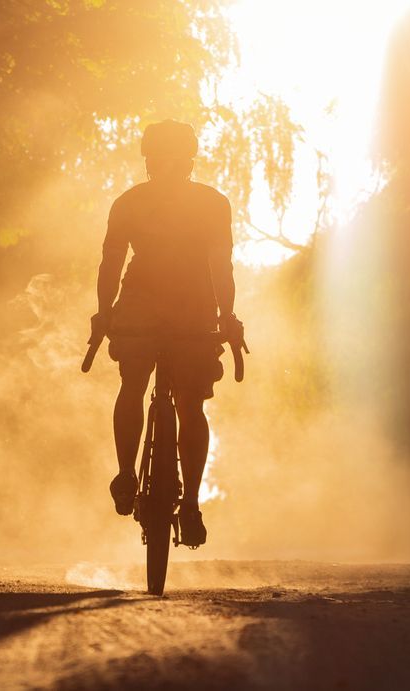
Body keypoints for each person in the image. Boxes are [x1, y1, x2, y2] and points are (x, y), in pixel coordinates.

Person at [91, 119, 243, 547]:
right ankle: (190, 505)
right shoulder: (213, 203)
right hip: (194, 311)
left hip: (142, 307)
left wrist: (104, 313)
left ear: (148, 159)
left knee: (133, 386)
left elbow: (110, 264)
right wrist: (227, 316)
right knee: (191, 405)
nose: (167, 165)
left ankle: (126, 474)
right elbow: (220, 266)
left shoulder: (129, 202)